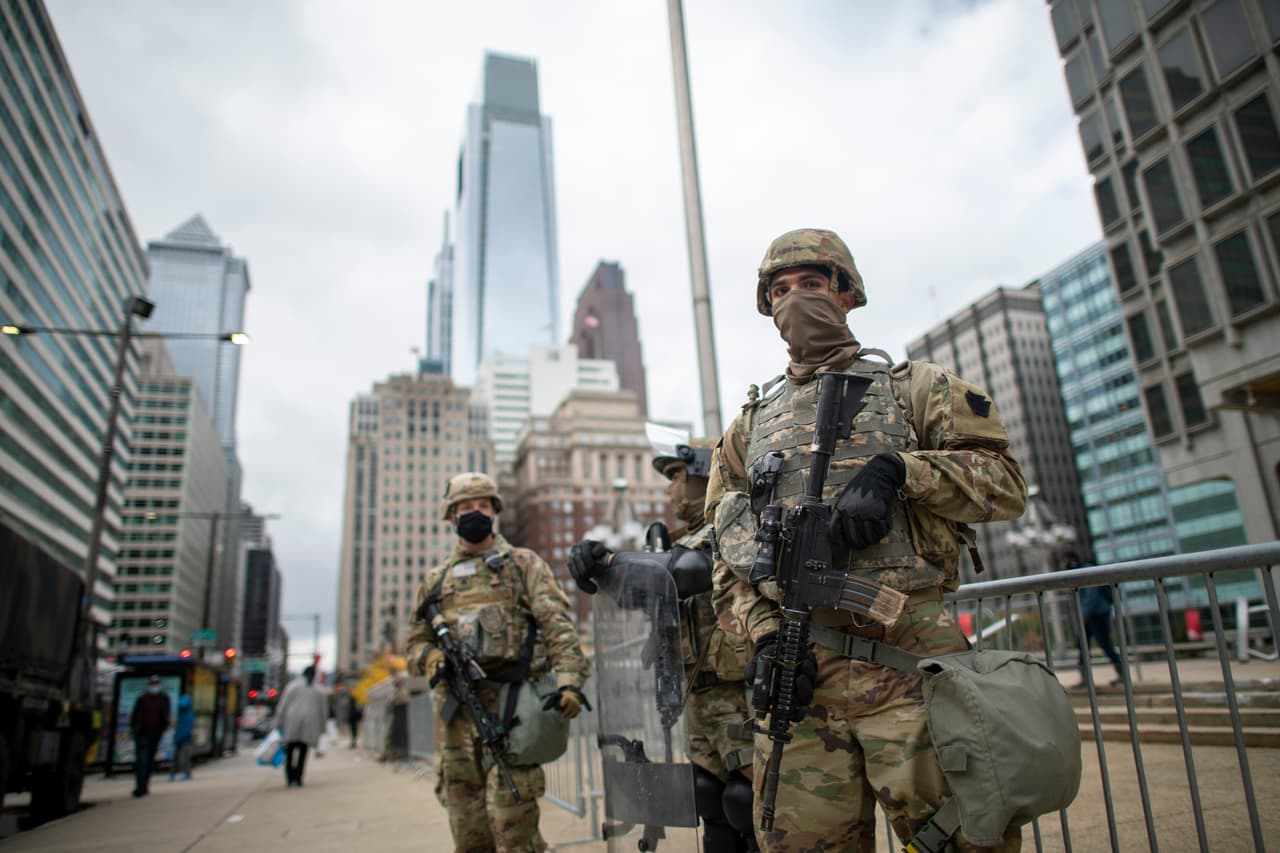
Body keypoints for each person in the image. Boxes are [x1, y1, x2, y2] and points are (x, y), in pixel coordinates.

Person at [706, 229, 1028, 852]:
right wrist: (766, 636)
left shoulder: (916, 389)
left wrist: (901, 472)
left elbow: (1005, 484)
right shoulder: (747, 428)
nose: (794, 299)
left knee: (961, 839)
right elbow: (726, 561)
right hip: (801, 679)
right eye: (780, 290)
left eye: (811, 284)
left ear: (847, 293)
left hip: (914, 669)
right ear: (768, 309)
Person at [570, 436, 757, 852]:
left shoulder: (737, 519)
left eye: (676, 475)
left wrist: (616, 563)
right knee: (709, 798)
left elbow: (687, 573)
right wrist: (596, 565)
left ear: (705, 475)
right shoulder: (681, 539)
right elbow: (641, 591)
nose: (669, 488)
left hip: (741, 693)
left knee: (750, 802)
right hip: (697, 694)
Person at [406, 472, 591, 853]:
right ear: (451, 516)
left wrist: (569, 681)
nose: (476, 513)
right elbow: (415, 642)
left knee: (514, 827)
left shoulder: (522, 565)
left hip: (513, 709)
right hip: (456, 720)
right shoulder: (436, 580)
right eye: (466, 507)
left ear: (495, 512)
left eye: (483, 506)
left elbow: (557, 625)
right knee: (468, 828)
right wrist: (431, 658)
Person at [1065, 550, 1125, 688]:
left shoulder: (1086, 570)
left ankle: (1122, 674)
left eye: (1065, 561)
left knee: (1104, 643)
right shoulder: (1077, 572)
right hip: (1088, 615)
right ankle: (1084, 678)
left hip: (1098, 613)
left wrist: (1085, 614)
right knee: (1082, 645)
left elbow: (1092, 595)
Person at [275, 664, 328, 787]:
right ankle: (298, 777)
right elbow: (323, 711)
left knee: (289, 751)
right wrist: (323, 729)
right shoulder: (319, 690)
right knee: (303, 752)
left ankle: (290, 778)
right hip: (309, 725)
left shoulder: (292, 687)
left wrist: (278, 724)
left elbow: (282, 707)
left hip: (291, 723)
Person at [130, 674, 171, 797]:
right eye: (152, 684)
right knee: (142, 759)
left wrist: (164, 728)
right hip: (142, 733)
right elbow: (135, 716)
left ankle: (144, 785)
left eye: (156, 684)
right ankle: (140, 786)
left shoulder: (163, 699)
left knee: (149, 761)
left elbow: (166, 715)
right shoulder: (142, 699)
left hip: (155, 733)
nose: (154, 686)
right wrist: (134, 729)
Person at [169, 693, 195, 781]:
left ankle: (180, 773)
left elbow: (186, 727)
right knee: (182, 757)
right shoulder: (185, 713)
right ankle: (179, 773)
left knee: (182, 757)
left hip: (183, 738)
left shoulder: (184, 713)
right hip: (182, 738)